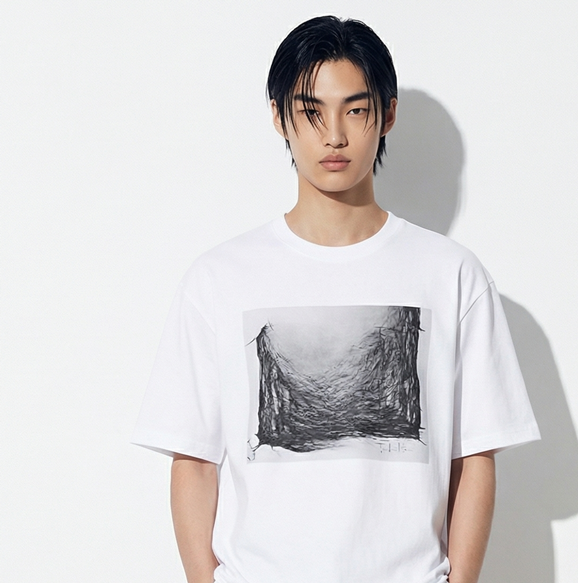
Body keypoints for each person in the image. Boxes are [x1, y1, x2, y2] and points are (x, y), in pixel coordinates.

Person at [132, 15, 540, 583]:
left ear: (387, 115)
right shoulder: (219, 278)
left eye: (355, 109)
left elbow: (474, 457)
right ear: (279, 118)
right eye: (311, 111)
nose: (334, 136)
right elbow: (194, 461)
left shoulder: (451, 275)